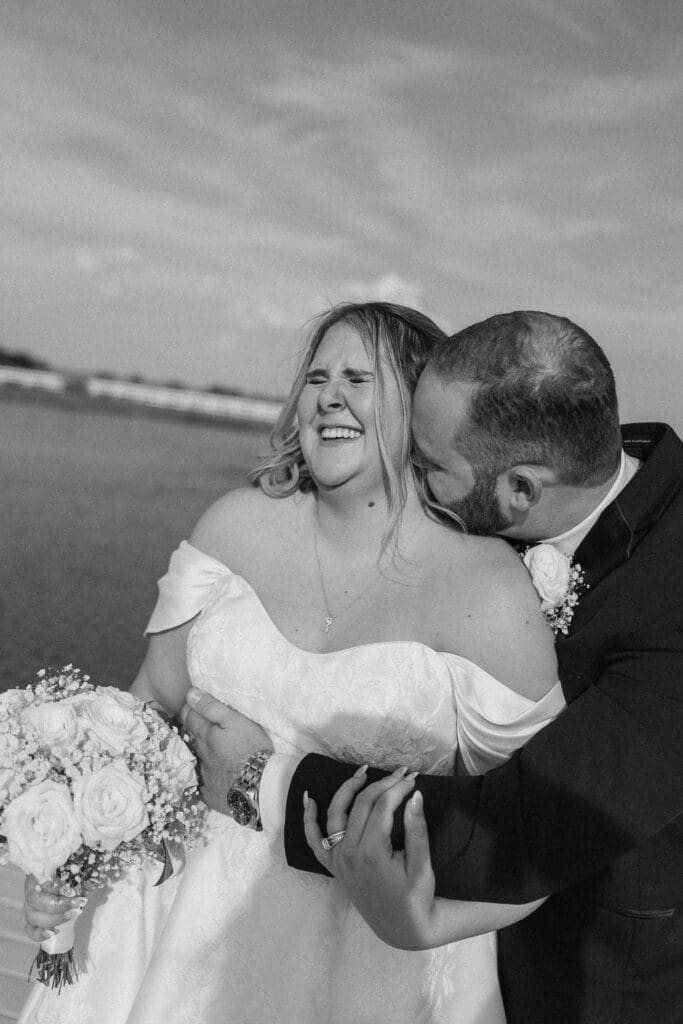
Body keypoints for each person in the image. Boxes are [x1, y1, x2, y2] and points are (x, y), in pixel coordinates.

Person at [20, 303, 564, 1024]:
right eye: (315, 377)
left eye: (357, 378)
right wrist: (75, 844)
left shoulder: (488, 589)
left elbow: (538, 820)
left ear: (423, 407)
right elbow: (149, 700)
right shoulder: (233, 525)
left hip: (362, 956)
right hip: (170, 914)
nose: (328, 396)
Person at [276, 311, 683, 1023]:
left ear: (520, 491)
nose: (409, 470)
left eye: (429, 466)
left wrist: (265, 781)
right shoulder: (543, 479)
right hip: (449, 950)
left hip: (596, 975)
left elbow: (522, 830)